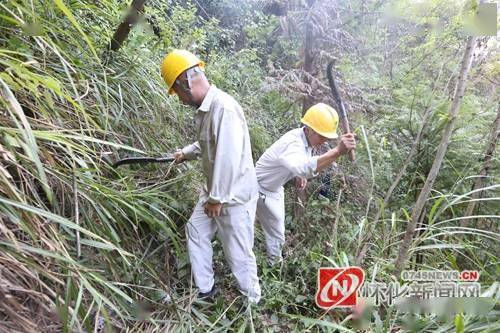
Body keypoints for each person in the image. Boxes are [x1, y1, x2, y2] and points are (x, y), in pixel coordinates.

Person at [160, 49, 261, 303]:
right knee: (195, 229)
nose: (181, 100)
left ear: (187, 81)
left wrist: (216, 198)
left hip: (233, 196)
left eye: (179, 93)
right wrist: (185, 152)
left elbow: (227, 158)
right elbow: (208, 144)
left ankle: (252, 301)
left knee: (238, 254)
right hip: (214, 192)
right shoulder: (208, 109)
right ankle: (206, 290)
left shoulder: (223, 108)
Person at [255, 103, 356, 265]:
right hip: (254, 187)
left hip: (273, 190)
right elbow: (302, 166)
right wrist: (337, 151)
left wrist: (297, 175)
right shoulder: (293, 142)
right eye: (321, 136)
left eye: (326, 137)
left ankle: (274, 267)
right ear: (309, 129)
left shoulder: (307, 141)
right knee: (238, 231)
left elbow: (299, 163)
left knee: (277, 235)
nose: (323, 141)